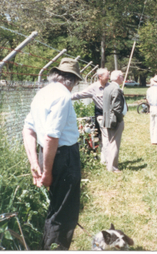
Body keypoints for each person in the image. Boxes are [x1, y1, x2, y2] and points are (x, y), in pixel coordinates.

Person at [23, 58, 83, 250]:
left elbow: (28, 129)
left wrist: (35, 162)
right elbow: (51, 136)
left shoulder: (42, 93)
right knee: (64, 213)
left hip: (45, 154)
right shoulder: (63, 96)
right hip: (63, 156)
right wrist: (46, 172)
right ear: (72, 80)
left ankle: (45, 247)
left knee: (55, 208)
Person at [71, 68, 110, 164]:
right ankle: (106, 160)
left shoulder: (110, 86)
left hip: (111, 115)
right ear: (100, 77)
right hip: (101, 115)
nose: (108, 77)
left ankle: (105, 157)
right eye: (107, 75)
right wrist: (64, 96)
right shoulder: (93, 87)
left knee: (108, 137)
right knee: (106, 136)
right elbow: (79, 94)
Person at [102, 70, 127, 173]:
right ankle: (113, 167)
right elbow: (117, 107)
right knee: (114, 143)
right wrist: (120, 117)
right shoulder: (116, 89)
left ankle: (109, 163)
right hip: (115, 120)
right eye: (121, 76)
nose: (123, 77)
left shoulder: (107, 88)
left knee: (110, 142)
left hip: (108, 118)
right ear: (117, 77)